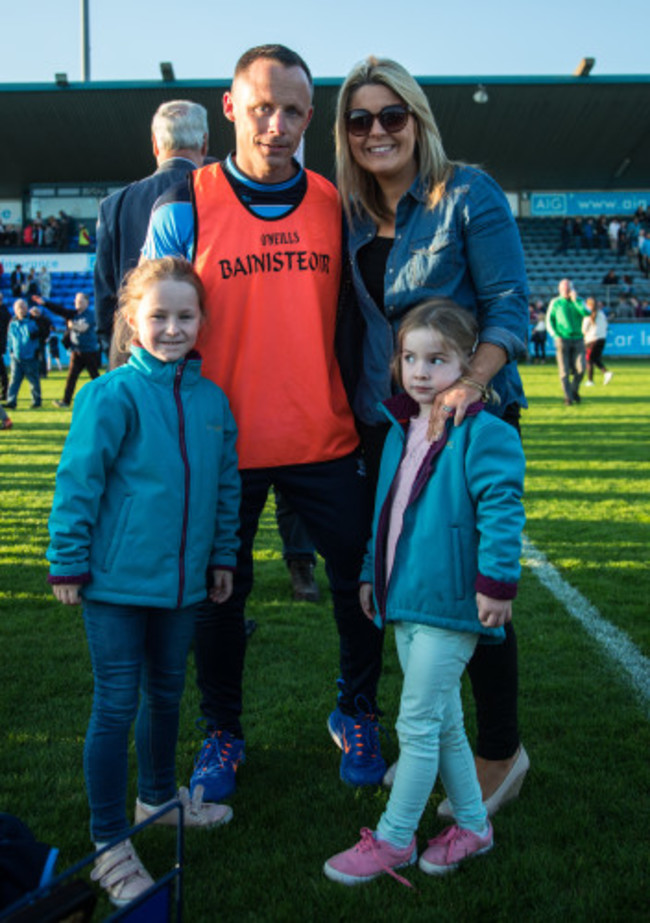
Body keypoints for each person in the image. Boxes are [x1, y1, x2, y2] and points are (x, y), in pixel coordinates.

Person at [143, 44, 385, 798]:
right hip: (222, 448)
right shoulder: (185, 204)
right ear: (229, 108)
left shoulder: (332, 203)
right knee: (220, 594)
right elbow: (147, 329)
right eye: (260, 109)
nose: (275, 125)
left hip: (324, 435)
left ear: (311, 118)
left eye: (291, 112)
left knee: (360, 585)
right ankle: (222, 731)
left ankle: (356, 710)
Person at [334, 56, 530, 815]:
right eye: (359, 119)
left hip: (464, 426)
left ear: (417, 119)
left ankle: (500, 752)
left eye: (392, 115)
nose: (377, 130)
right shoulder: (351, 214)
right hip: (395, 431)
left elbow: (511, 306)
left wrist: (467, 386)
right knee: (413, 591)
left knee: (475, 588)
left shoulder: (465, 193)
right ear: (345, 135)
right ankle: (436, 744)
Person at [46, 257, 241, 907]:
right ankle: (108, 843)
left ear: (202, 321)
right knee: (116, 705)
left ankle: (158, 800)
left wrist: (221, 557)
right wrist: (68, 559)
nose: (172, 327)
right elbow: (79, 483)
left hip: (184, 586)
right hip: (115, 588)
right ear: (131, 320)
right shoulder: (110, 394)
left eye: (185, 315)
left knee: (167, 696)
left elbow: (225, 489)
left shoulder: (213, 400)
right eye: (158, 315)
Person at [324, 301, 525, 886]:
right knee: (442, 725)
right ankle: (472, 825)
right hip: (406, 602)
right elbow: (385, 513)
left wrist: (495, 584)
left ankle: (392, 840)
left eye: (436, 360)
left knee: (414, 726)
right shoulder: (400, 429)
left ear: (467, 365)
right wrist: (369, 573)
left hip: (452, 604)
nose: (419, 371)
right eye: (410, 357)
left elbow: (502, 511)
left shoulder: (483, 431)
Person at [94, 100, 209, 366]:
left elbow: (105, 288)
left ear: (156, 144)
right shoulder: (222, 198)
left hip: (131, 351)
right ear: (204, 144)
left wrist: (110, 341)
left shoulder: (115, 204)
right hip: (199, 357)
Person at [33, 292, 101, 407]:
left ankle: (106, 398)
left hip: (89, 351)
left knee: (95, 377)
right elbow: (59, 310)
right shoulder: (73, 314)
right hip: (76, 351)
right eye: (76, 300)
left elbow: (83, 328)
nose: (77, 302)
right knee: (71, 377)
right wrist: (45, 303)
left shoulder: (90, 314)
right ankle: (66, 401)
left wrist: (71, 326)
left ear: (87, 302)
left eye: (80, 300)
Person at [545, 278, 591, 405]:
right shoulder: (556, 302)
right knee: (564, 371)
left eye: (568, 289)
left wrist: (575, 301)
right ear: (560, 290)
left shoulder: (579, 301)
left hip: (578, 339)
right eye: (564, 289)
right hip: (562, 339)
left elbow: (587, 312)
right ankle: (568, 398)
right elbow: (549, 320)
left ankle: (573, 390)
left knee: (581, 369)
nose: (566, 291)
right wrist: (555, 335)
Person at [3, 299, 41, 409]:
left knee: (33, 380)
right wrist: (10, 351)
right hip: (16, 357)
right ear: (15, 310)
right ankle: (11, 401)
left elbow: (39, 335)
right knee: (14, 380)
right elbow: (10, 338)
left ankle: (36, 401)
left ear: (27, 308)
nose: (21, 310)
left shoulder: (33, 322)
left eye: (23, 307)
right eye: (19, 308)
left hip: (30, 356)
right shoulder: (13, 323)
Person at [582, 297, 613, 386]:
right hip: (602, 339)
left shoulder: (587, 315)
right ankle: (606, 372)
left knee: (589, 360)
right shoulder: (601, 314)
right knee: (595, 359)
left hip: (591, 340)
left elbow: (584, 329)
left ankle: (590, 381)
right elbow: (606, 326)